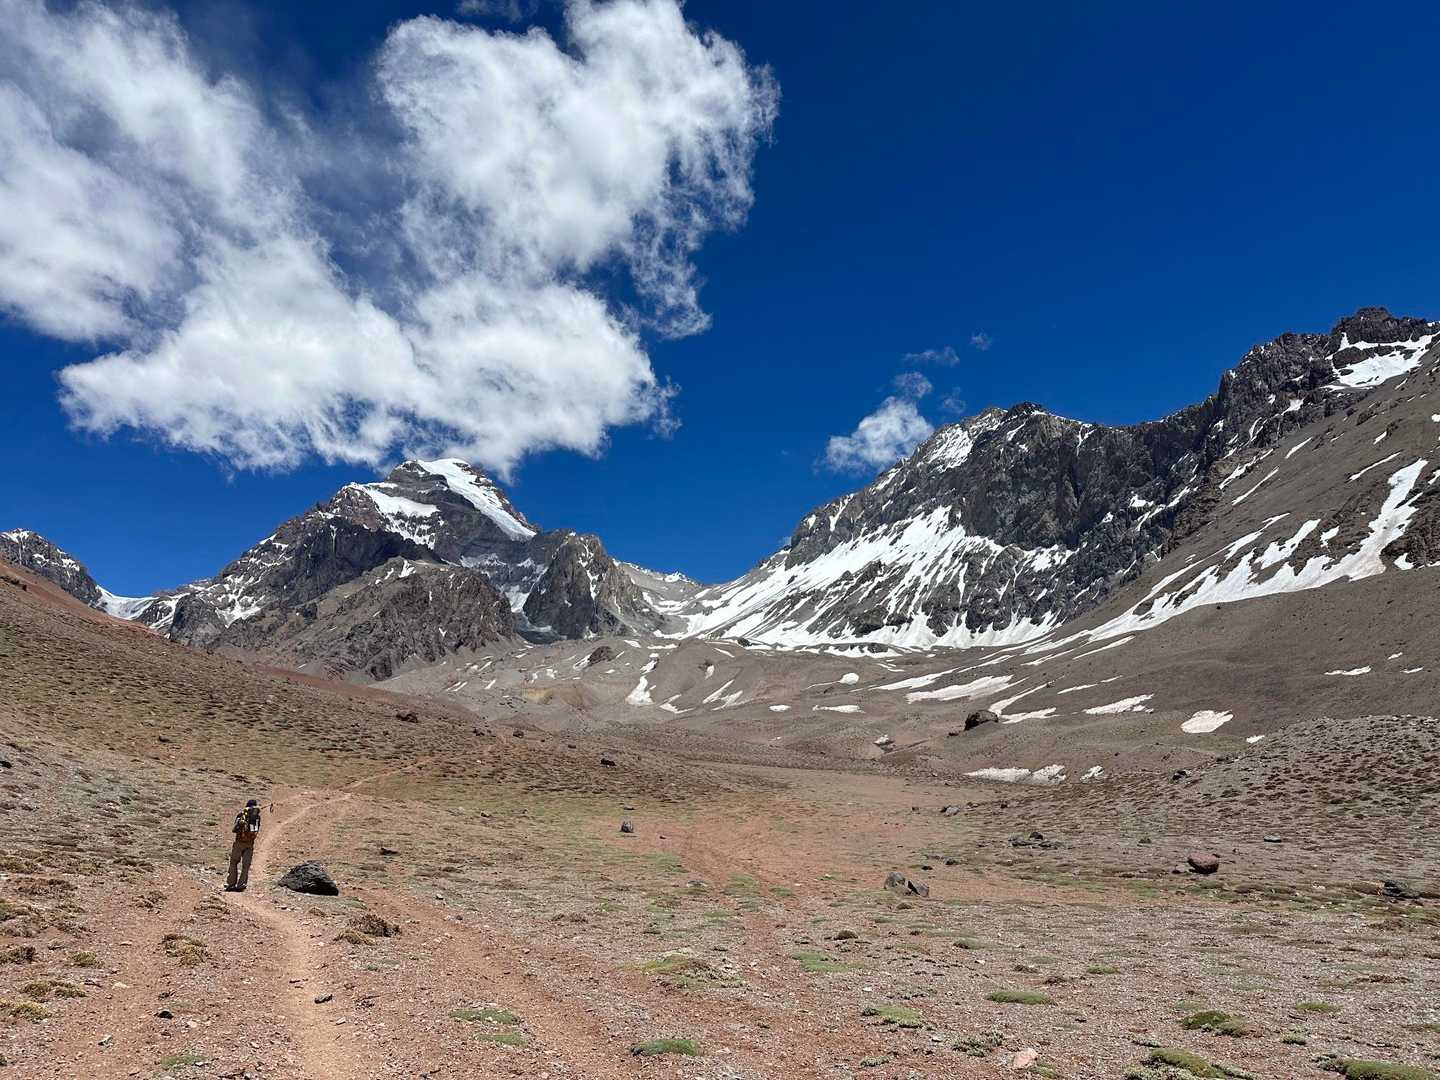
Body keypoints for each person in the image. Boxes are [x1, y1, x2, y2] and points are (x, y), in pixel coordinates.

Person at [225, 799, 262, 892]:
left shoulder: (241, 815)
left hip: (239, 843)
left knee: (234, 863)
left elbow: (234, 829)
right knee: (246, 866)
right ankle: (241, 885)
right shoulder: (257, 817)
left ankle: (231, 884)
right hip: (250, 844)